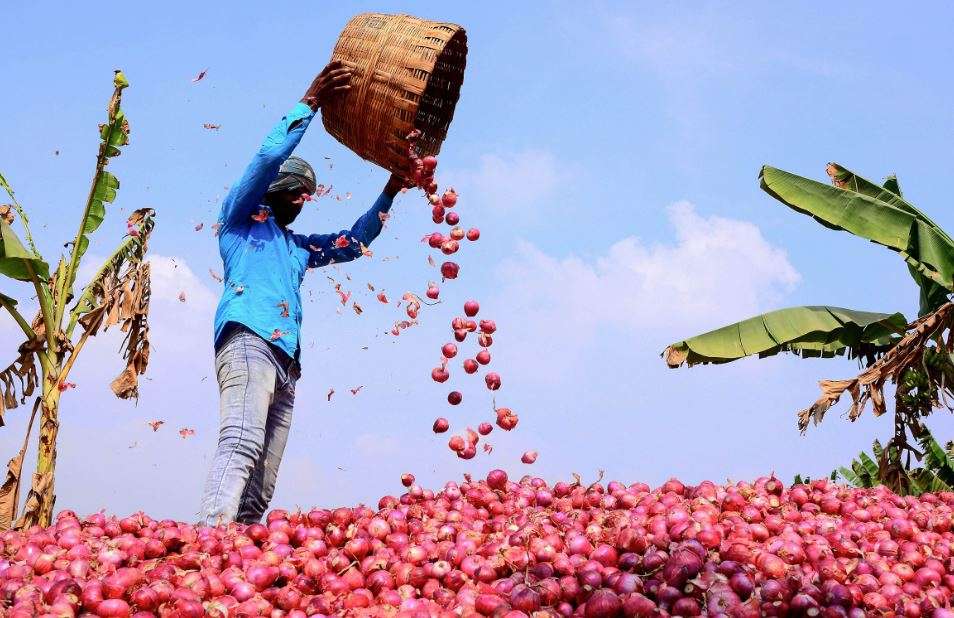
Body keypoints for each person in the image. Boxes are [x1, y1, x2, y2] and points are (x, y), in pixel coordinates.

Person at [200, 61, 406, 525]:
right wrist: (309, 102)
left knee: (264, 476)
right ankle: (210, 537)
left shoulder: (296, 248)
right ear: (274, 191)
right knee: (242, 440)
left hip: (286, 361)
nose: (301, 203)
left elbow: (352, 244)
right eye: (296, 193)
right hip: (249, 338)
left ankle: (241, 552)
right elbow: (265, 160)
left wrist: (391, 190)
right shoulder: (238, 222)